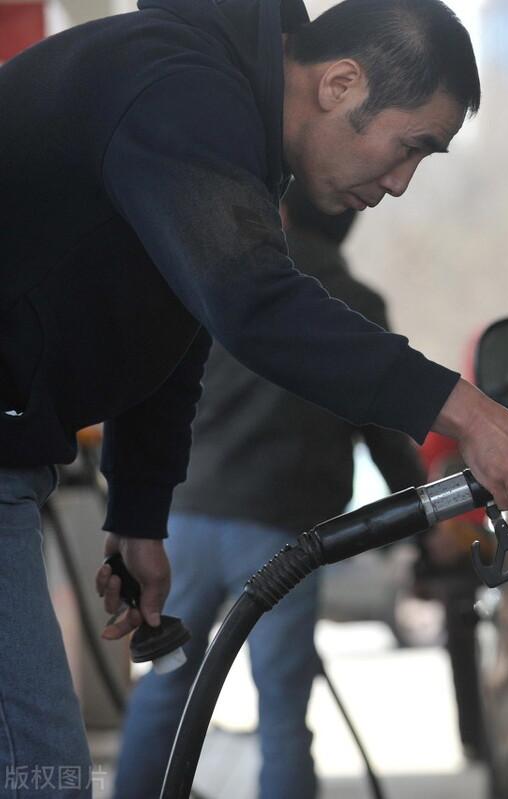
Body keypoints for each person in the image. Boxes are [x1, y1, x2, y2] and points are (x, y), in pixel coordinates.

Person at [0, 0, 508, 792]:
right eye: (410, 148)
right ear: (341, 83)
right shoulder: (183, 87)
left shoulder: (220, 126)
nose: (402, 184)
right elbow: (250, 305)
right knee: (37, 770)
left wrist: (138, 510)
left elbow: (178, 320)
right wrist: (471, 413)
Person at [112, 187, 426, 798]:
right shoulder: (356, 303)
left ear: (281, 211)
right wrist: (423, 520)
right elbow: (386, 429)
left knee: (167, 684)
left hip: (189, 521)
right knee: (282, 712)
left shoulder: (228, 281)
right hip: (283, 537)